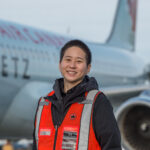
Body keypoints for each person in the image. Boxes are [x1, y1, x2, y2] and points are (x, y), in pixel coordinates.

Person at [33, 39, 122, 150]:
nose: (72, 65)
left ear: (88, 68)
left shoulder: (97, 102)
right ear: (60, 64)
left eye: (79, 61)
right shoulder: (44, 104)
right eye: (68, 60)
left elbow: (112, 147)